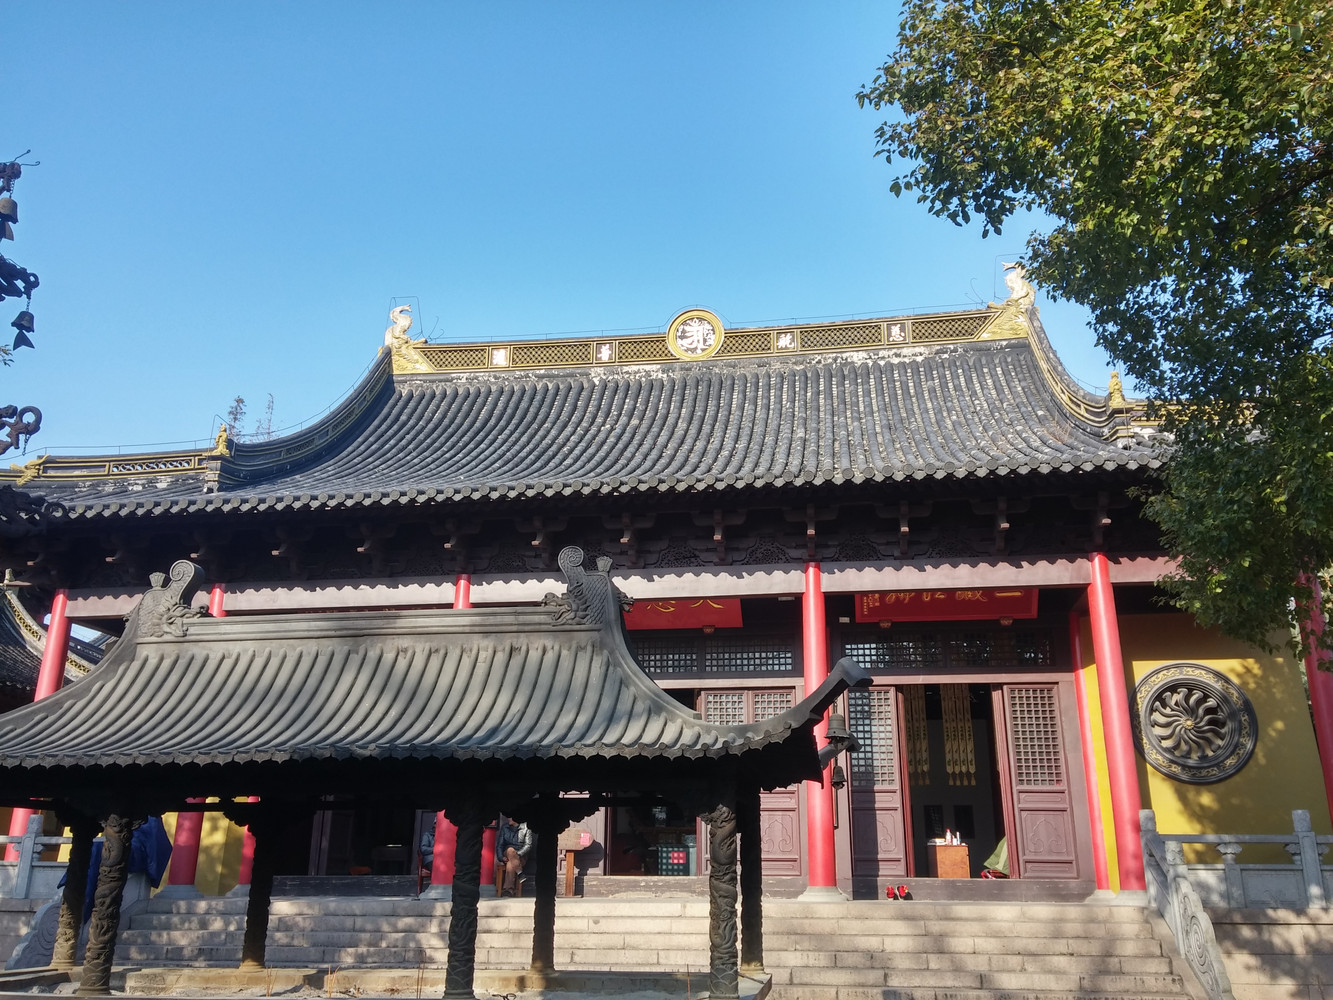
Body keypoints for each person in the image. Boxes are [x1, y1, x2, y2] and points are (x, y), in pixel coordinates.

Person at [496, 816, 533, 897]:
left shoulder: (526, 827)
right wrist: (501, 857)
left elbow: (528, 845)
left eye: (510, 817)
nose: (508, 819)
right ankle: (520, 873)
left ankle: (508, 890)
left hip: (521, 855)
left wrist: (517, 855)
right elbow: (500, 845)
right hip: (506, 853)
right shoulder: (505, 827)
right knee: (510, 850)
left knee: (510, 864)